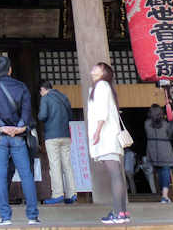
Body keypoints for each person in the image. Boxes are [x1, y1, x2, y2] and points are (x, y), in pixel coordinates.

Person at [0, 56, 40, 226]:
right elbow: (27, 111)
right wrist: (20, 127)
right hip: (18, 138)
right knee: (26, 175)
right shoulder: (21, 87)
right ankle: (32, 216)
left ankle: (5, 217)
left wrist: (2, 127)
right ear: (10, 69)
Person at [86, 62, 129, 225]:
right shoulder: (102, 86)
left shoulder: (101, 86)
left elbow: (102, 112)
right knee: (117, 174)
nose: (93, 69)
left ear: (104, 72)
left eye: (97, 67)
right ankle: (122, 212)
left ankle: (119, 213)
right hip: (109, 136)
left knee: (115, 174)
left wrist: (97, 132)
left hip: (106, 137)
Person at [38, 79, 77, 204]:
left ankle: (58, 194)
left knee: (55, 165)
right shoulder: (63, 97)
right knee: (67, 164)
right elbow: (71, 116)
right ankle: (72, 193)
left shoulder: (45, 98)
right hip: (65, 135)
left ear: (42, 90)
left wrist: (39, 116)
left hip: (52, 136)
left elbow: (42, 116)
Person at [144, 104, 173, 204]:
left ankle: (163, 195)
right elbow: (171, 135)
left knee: (158, 173)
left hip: (153, 149)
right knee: (166, 171)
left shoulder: (146, 123)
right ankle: (165, 196)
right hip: (165, 149)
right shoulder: (165, 124)